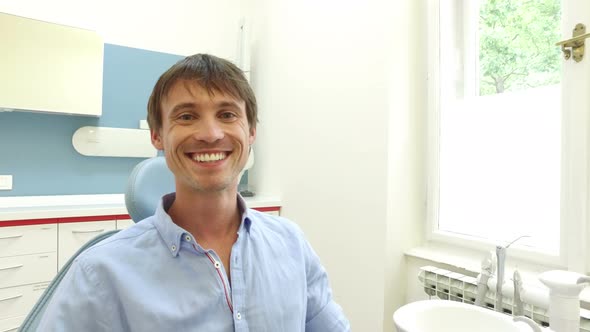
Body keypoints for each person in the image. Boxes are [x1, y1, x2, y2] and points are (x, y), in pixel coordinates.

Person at [37, 54, 350, 331]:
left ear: (251, 131)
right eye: (186, 116)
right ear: (157, 135)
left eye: (227, 115)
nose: (211, 134)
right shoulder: (101, 274)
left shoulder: (291, 244)